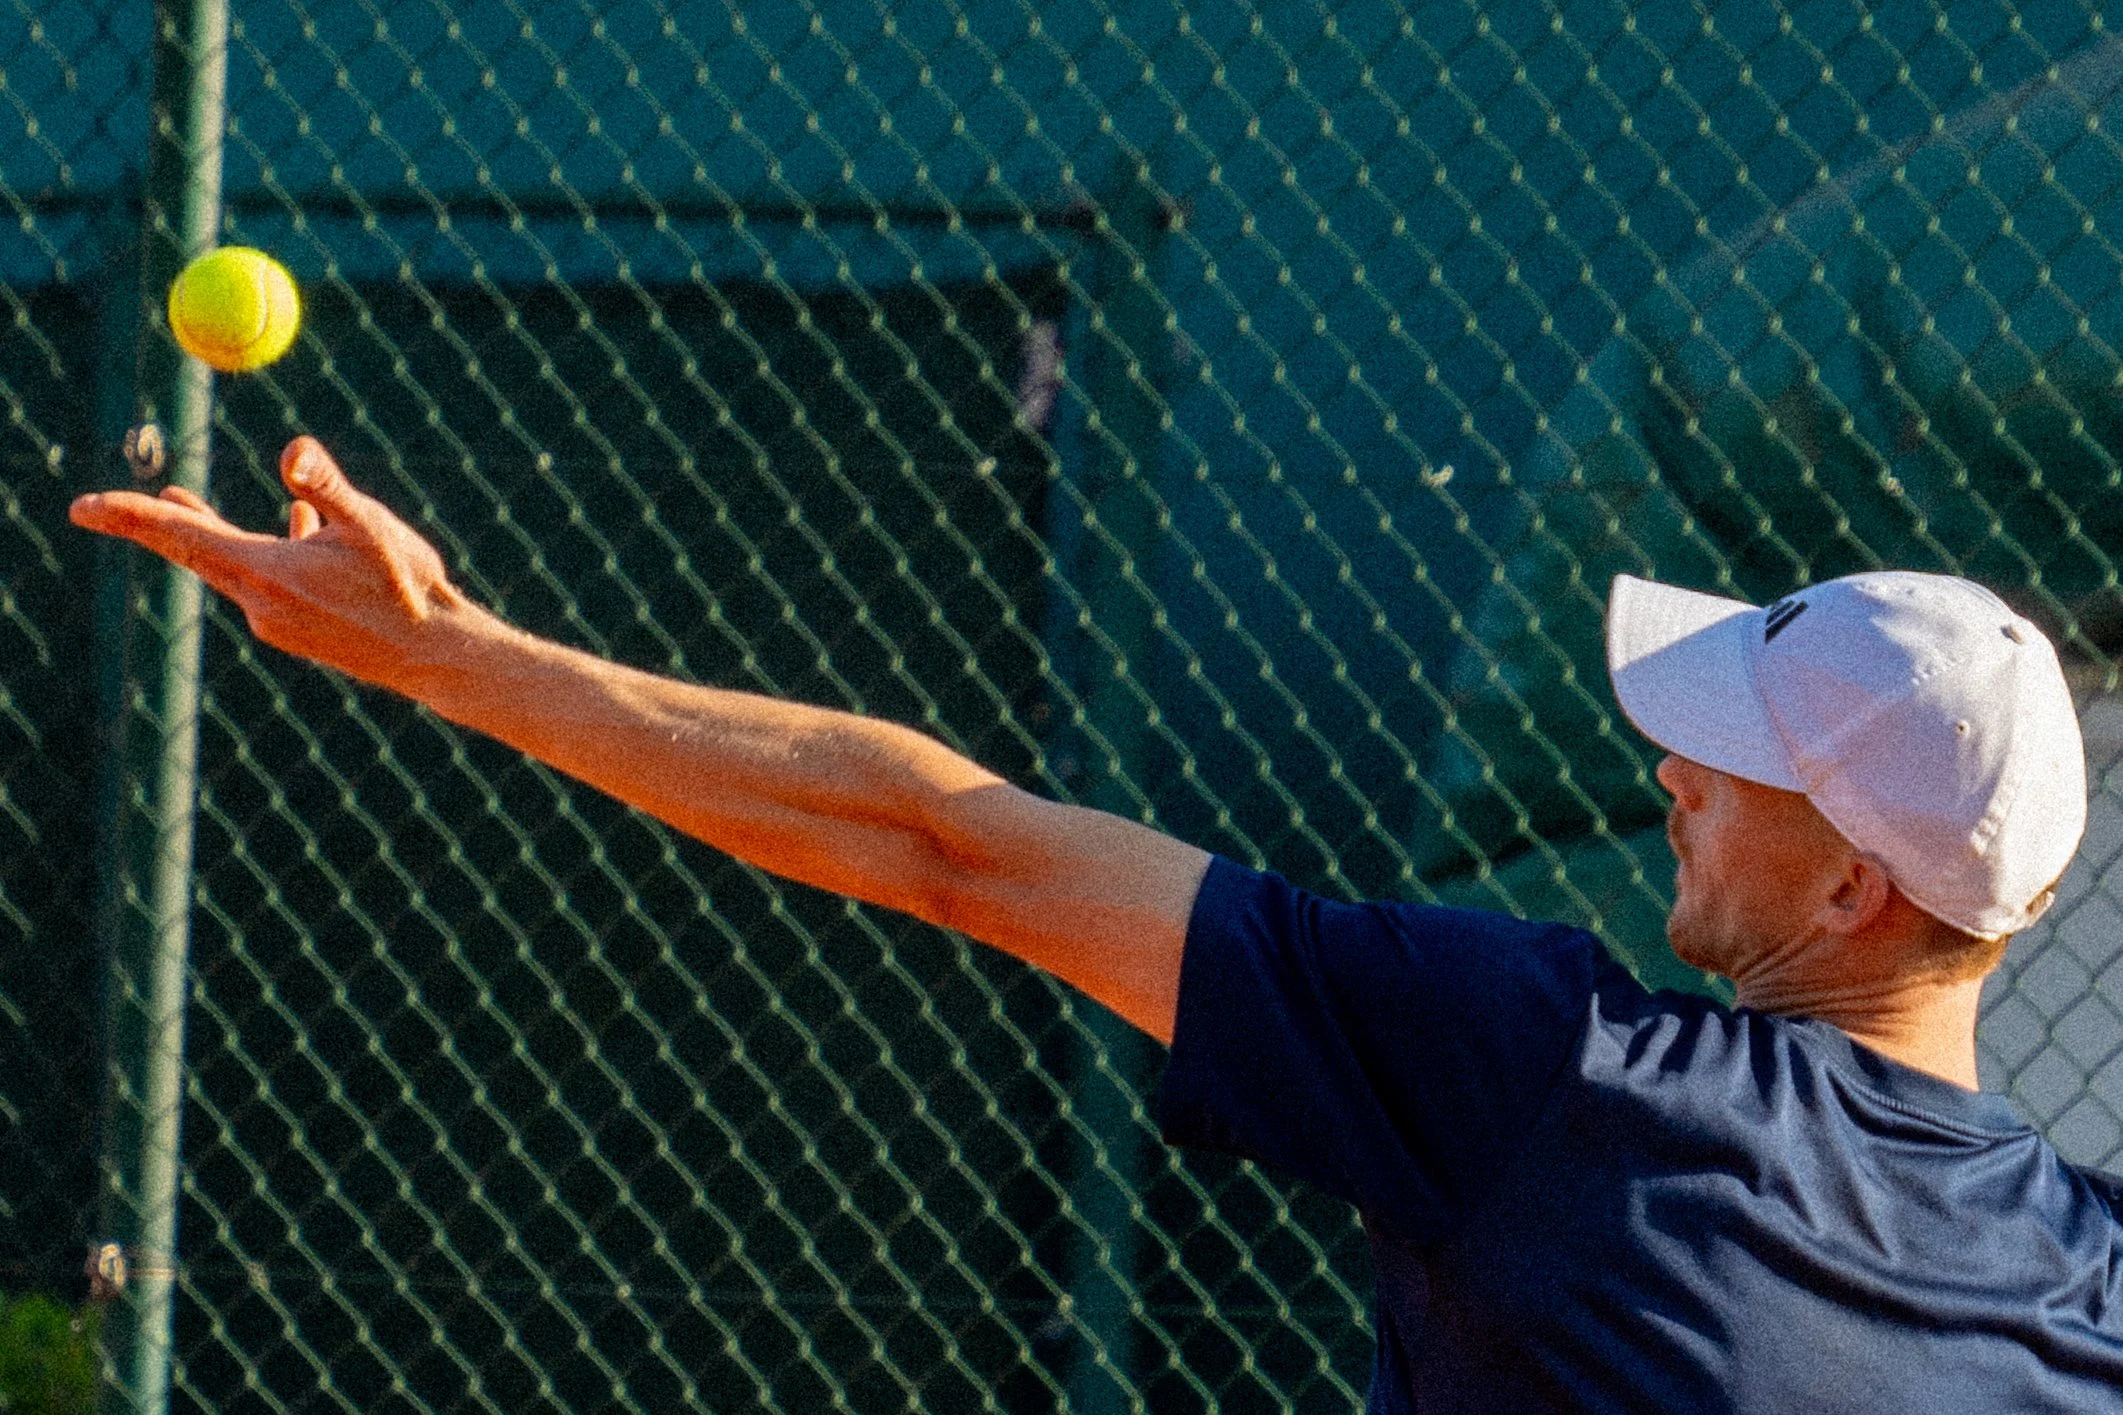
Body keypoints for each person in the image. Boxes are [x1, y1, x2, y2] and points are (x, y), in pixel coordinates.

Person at [73, 437, 2123, 1412]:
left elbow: (955, 843)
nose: (1668, 768)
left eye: (1728, 757)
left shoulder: (1569, 1076)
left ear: (1850, 882)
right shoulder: (2081, 1285)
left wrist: (451, 654)